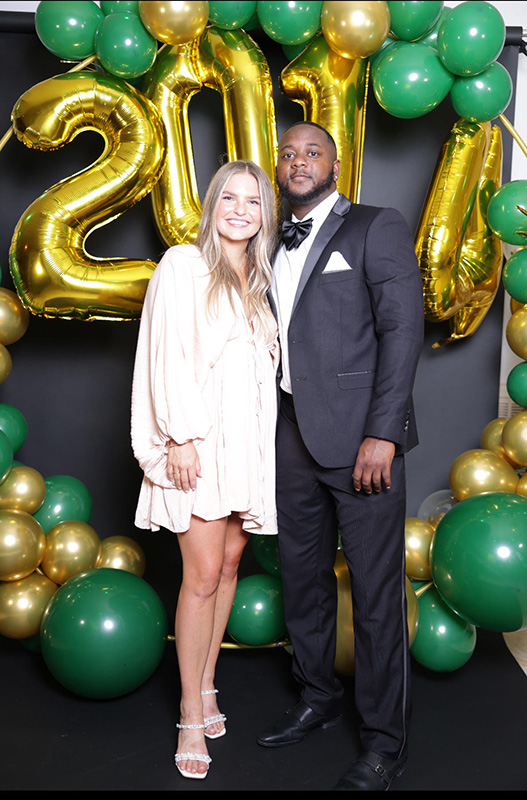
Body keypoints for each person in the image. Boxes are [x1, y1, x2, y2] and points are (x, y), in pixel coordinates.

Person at [257, 122, 424, 792]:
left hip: (362, 443)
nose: (298, 162)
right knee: (302, 581)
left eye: (312, 153)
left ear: (335, 163)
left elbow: (402, 329)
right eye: (288, 154)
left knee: (376, 596)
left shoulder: (375, 226)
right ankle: (318, 696)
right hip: (289, 435)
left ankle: (385, 743)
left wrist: (383, 433)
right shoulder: (269, 237)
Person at [130, 160, 279, 781]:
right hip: (200, 442)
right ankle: (190, 710)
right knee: (201, 575)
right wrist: (181, 437)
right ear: (212, 204)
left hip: (247, 444)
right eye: (229, 198)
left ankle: (209, 680)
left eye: (253, 201)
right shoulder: (183, 265)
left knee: (230, 564)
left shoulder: (260, 278)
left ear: (265, 213)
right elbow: (166, 353)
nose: (240, 210)